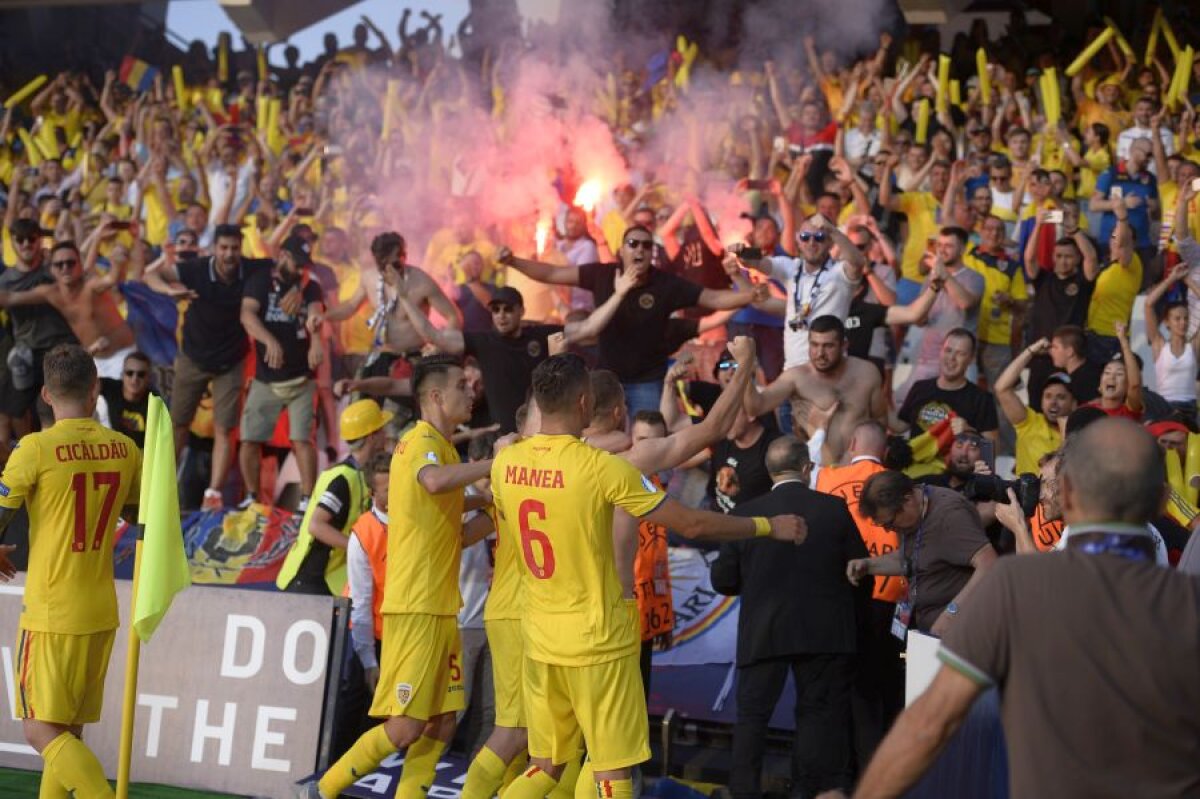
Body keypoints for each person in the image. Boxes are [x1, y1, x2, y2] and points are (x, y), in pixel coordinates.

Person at [489, 354, 806, 799]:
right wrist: (768, 526)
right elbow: (693, 524)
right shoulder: (605, 468)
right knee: (612, 770)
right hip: (598, 638)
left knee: (546, 765)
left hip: (540, 637)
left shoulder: (506, 464)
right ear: (585, 401)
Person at [852, 419, 1200, 799]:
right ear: (1164, 499)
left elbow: (929, 724)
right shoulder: (1190, 603)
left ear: (1066, 493)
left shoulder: (1014, 586)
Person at [309, 356, 498, 799]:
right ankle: (323, 790)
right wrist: (494, 466)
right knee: (407, 726)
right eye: (461, 386)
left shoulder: (447, 450)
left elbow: (460, 533)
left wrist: (497, 509)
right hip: (415, 607)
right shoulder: (420, 443)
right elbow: (433, 482)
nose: (471, 392)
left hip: (441, 607)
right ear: (435, 396)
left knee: (443, 720)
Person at [0, 343, 142, 798]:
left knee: (40, 731)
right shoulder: (125, 448)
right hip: (100, 609)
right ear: (95, 387)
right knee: (68, 731)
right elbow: (144, 517)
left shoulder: (35, 449)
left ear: (45, 393)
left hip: (51, 611)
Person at [712, 436, 866, 799]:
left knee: (752, 718)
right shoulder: (834, 509)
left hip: (764, 631)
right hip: (825, 632)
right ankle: (806, 791)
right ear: (806, 468)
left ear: (768, 471)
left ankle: (743, 792)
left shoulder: (745, 513)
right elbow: (859, 570)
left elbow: (723, 580)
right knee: (817, 717)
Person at [499, 226, 761, 417]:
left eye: (647, 245)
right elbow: (552, 272)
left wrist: (750, 294)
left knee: (647, 440)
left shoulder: (666, 284)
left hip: (648, 379)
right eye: (633, 243)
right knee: (605, 445)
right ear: (621, 251)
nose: (640, 249)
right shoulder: (602, 274)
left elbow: (712, 299)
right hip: (607, 377)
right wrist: (513, 261)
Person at [400, 274, 637, 433]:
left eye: (507, 309)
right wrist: (403, 297)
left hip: (539, 433)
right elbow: (435, 335)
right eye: (495, 310)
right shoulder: (482, 341)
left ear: (522, 310)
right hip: (503, 437)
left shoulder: (540, 336)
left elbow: (589, 327)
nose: (501, 315)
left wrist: (620, 293)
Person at [143, 223, 270, 510]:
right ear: (213, 249)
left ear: (241, 249)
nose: (229, 254)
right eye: (223, 248)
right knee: (178, 423)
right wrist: (168, 291)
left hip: (231, 359)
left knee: (225, 428)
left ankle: (213, 494)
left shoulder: (252, 269)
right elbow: (150, 275)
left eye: (234, 248)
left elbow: (288, 268)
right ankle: (159, 485)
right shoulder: (196, 269)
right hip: (193, 356)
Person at [811, 421, 905, 766]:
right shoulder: (899, 484)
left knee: (839, 689)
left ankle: (843, 772)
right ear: (885, 449)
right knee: (880, 689)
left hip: (842, 594)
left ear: (852, 442)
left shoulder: (827, 478)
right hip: (889, 596)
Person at [848, 470, 998, 637]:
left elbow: (989, 563)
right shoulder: (912, 516)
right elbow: (913, 558)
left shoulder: (949, 515)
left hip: (960, 630)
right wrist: (869, 565)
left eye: (889, 523)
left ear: (908, 500)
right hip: (927, 627)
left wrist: (951, 614)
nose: (888, 530)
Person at [238, 234, 326, 508]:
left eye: (305, 264)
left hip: (302, 378)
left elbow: (315, 314)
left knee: (302, 439)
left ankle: (306, 501)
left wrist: (316, 340)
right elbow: (247, 315)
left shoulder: (310, 287)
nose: (302, 268)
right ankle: (252, 497)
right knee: (250, 439)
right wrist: (269, 341)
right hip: (267, 377)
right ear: (284, 256)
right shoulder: (261, 281)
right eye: (297, 262)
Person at [276, 398, 392, 595]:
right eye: (382, 430)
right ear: (372, 436)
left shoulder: (362, 475)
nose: (386, 435)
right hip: (309, 581)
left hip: (330, 578)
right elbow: (317, 525)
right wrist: (359, 549)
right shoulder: (342, 479)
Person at [731, 214, 867, 371]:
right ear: (798, 240)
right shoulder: (791, 267)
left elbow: (857, 262)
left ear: (830, 242)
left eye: (820, 237)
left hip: (829, 368)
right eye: (805, 237)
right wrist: (743, 252)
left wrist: (833, 230)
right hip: (794, 367)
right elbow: (760, 262)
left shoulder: (839, 272)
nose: (811, 242)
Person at [745, 316, 885, 464]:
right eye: (814, 345)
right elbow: (755, 408)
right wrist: (744, 368)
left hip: (859, 471)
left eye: (828, 346)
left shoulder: (867, 372)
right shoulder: (797, 378)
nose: (820, 354)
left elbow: (880, 420)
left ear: (844, 345)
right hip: (819, 472)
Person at [0, 238, 135, 380]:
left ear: (80, 265)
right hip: (95, 362)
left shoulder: (90, 285)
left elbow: (110, 279)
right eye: (59, 264)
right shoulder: (51, 293)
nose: (65, 268)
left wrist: (117, 264)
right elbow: (10, 297)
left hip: (124, 358)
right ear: (51, 269)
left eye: (70, 263)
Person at [336, 450, 392, 757]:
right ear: (373, 493)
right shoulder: (364, 534)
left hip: (397, 634)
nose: (397, 495)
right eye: (388, 490)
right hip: (364, 634)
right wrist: (370, 661)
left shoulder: (412, 520)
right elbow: (361, 603)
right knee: (355, 704)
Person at [0, 219, 78, 430]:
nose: (26, 244)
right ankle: (26, 454)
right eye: (20, 239)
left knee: (56, 410)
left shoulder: (54, 271)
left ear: (40, 241)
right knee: (10, 411)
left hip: (60, 349)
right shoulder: (5, 280)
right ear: (13, 243)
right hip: (26, 352)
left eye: (32, 239)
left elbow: (79, 265)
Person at [894, 329, 999, 443]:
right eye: (948, 350)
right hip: (916, 460)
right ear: (940, 352)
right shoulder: (920, 388)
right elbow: (900, 426)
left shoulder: (982, 399)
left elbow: (993, 450)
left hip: (954, 461)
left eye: (960, 354)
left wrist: (969, 432)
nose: (952, 358)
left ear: (971, 359)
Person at [994, 341, 1077, 476]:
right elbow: (1002, 388)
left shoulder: (1078, 435)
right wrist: (1031, 351)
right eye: (1048, 396)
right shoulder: (1029, 422)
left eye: (1061, 397)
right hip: (1024, 495)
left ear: (1074, 404)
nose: (1053, 402)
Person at [1144, 271, 1200, 424]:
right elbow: (1148, 304)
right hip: (1164, 407)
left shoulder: (1194, 347)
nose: (1182, 322)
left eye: (1186, 318)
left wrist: (1188, 281)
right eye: (1177, 318)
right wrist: (1171, 279)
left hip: (1190, 408)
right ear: (1167, 322)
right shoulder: (1159, 345)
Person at [96, 351, 158, 449]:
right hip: (116, 449)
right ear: (122, 375)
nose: (134, 379)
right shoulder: (112, 387)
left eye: (141, 374)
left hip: (144, 454)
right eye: (129, 373)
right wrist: (91, 352)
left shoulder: (156, 402)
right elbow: (82, 380)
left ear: (149, 378)